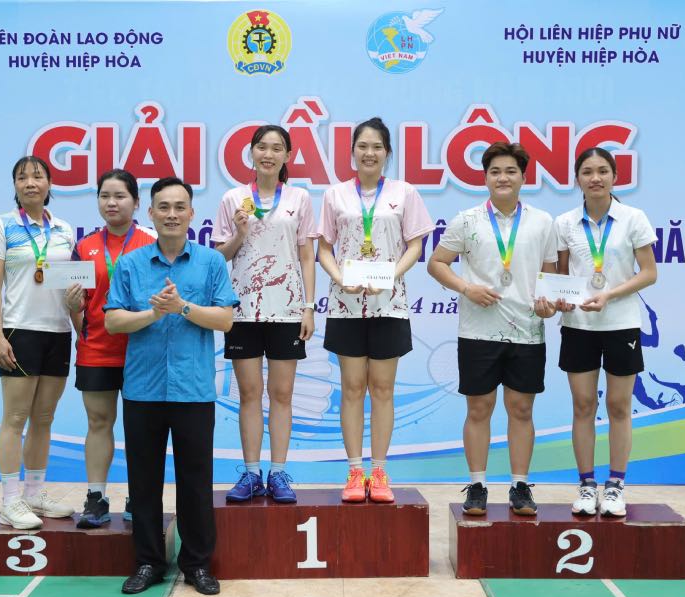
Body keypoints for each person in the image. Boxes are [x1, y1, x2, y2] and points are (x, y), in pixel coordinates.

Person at [105, 176, 238, 596]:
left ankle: (197, 564)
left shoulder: (211, 262)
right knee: (143, 482)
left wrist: (181, 306)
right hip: (143, 389)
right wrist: (153, 313)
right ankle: (148, 562)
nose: (171, 215)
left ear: (191, 214)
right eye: (163, 207)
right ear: (151, 213)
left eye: (179, 207)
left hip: (193, 390)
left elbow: (224, 319)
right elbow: (112, 320)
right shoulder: (130, 263)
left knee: (195, 482)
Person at [427, 143, 559, 516]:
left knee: (521, 409)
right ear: (485, 178)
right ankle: (478, 485)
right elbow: (437, 263)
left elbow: (550, 272)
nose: (503, 178)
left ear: (523, 177)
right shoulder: (467, 220)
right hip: (477, 331)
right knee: (479, 408)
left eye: (511, 171)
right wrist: (466, 288)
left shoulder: (542, 222)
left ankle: (520, 486)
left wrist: (548, 303)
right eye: (496, 171)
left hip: (528, 332)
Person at [316, 117, 433, 503]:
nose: (369, 153)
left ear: (387, 153)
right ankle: (354, 472)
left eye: (377, 147)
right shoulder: (335, 195)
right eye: (362, 146)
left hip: (390, 304)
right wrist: (338, 278)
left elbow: (415, 245)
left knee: (382, 389)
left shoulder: (404, 192)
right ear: (352, 152)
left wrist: (390, 275)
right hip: (346, 304)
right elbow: (324, 249)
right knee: (351, 388)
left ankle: (379, 472)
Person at [213, 125, 316, 504]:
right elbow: (220, 255)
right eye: (262, 147)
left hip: (287, 310)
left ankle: (278, 473)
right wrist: (239, 233)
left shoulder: (300, 198)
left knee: (283, 393)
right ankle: (251, 473)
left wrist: (308, 306)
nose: (268, 154)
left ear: (287, 156)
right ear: (251, 153)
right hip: (242, 311)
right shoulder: (232, 199)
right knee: (250, 394)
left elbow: (307, 256)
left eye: (277, 148)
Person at [554, 147, 658, 518]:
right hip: (579, 326)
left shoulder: (633, 218)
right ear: (577, 179)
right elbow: (563, 276)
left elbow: (648, 272)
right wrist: (562, 299)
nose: (595, 178)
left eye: (602, 171)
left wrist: (609, 294)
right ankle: (586, 484)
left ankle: (615, 486)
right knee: (583, 405)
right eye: (587, 171)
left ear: (615, 176)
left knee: (618, 405)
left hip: (622, 323)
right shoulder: (565, 222)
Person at [0, 155, 76, 530]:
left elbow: (70, 283)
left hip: (58, 331)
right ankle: (10, 501)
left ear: (50, 184)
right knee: (15, 418)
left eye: (37, 176)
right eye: (22, 177)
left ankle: (35, 493)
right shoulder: (1, 225)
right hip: (19, 330)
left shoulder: (65, 229)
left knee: (44, 418)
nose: (30, 182)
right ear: (15, 186)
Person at [65, 169, 155, 528]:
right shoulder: (85, 247)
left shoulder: (150, 243)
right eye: (105, 196)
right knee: (99, 423)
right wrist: (76, 313)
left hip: (142, 352)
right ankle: (96, 497)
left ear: (136, 202)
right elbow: (77, 305)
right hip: (96, 351)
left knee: (140, 429)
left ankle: (139, 496)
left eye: (120, 196)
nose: (112, 203)